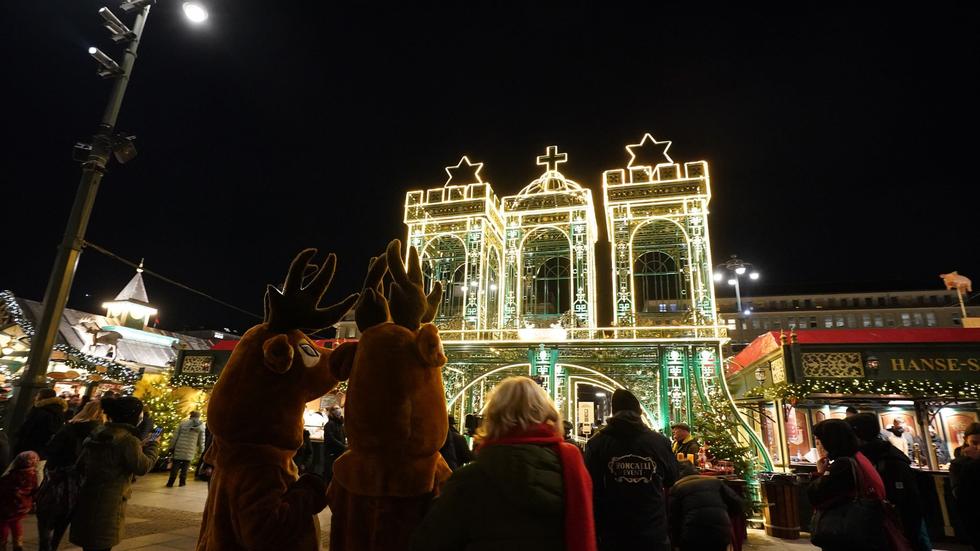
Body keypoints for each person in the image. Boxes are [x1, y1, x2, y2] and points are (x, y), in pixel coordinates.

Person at [411, 376, 595, 551]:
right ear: (548, 414)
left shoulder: (467, 480)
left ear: (493, 417)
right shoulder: (571, 471)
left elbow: (430, 542)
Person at [585, 389, 677, 551]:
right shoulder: (659, 442)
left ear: (613, 412)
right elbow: (671, 478)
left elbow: (590, 486)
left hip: (613, 532)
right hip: (652, 530)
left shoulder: (597, 443)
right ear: (639, 412)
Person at [69, 396, 160, 551]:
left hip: (87, 498)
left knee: (90, 544)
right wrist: (153, 446)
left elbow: (81, 464)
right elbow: (142, 467)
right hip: (108, 503)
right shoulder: (127, 440)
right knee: (102, 544)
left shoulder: (99, 432)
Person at [807, 419, 891, 551]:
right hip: (864, 529)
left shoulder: (843, 465)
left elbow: (817, 496)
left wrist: (820, 473)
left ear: (830, 440)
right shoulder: (858, 457)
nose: (818, 446)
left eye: (819, 441)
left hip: (847, 532)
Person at [844, 413, 925, 551]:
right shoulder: (871, 456)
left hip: (889, 528)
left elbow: (907, 503)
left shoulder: (886, 460)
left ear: (858, 435)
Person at [36, 400, 105, 551]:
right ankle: (53, 545)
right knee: (66, 516)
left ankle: (44, 544)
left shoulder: (69, 427)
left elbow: (52, 449)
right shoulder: (100, 433)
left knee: (45, 512)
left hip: (57, 476)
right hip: (77, 480)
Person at [669, 461, 745, 551]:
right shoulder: (715, 481)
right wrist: (724, 516)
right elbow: (738, 503)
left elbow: (674, 520)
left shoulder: (677, 487)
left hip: (692, 535)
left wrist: (675, 544)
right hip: (720, 533)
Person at [0, 451, 39, 551]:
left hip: (9, 506)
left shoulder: (14, 475)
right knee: (15, 523)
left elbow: (3, 488)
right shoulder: (34, 474)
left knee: (3, 523)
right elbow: (35, 490)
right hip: (23, 506)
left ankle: (2, 544)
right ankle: (18, 545)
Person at [12, 388, 67, 459]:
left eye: (38, 394)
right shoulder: (58, 410)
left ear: (42, 396)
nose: (36, 397)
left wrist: (18, 435)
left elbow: (29, 427)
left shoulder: (40, 410)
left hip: (31, 444)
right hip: (44, 447)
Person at [950, 422, 980, 550]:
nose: (978, 447)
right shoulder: (959, 464)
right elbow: (958, 492)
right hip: (974, 517)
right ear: (966, 441)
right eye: (974, 443)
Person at [167, 410, 205, 488]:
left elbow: (175, 437)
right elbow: (202, 440)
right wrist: (201, 450)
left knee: (175, 467)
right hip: (190, 450)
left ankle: (170, 483)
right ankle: (182, 483)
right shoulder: (201, 427)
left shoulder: (183, 423)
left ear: (190, 416)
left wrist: (171, 446)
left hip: (179, 447)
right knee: (185, 468)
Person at [323, 406, 346, 481]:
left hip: (340, 452)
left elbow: (344, 435)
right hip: (331, 453)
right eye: (336, 409)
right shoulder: (329, 424)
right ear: (331, 412)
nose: (338, 410)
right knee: (330, 475)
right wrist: (343, 446)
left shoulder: (340, 424)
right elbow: (331, 439)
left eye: (339, 408)